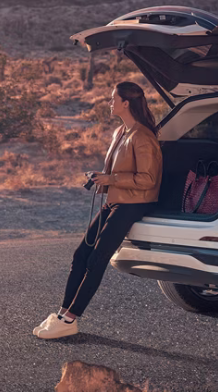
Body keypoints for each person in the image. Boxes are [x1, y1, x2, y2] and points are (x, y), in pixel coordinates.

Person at [34, 82, 162, 340]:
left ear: (126, 102)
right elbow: (119, 172)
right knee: (81, 254)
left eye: (113, 98)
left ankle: (70, 319)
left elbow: (148, 179)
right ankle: (61, 313)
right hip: (116, 200)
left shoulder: (143, 136)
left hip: (134, 203)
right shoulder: (120, 132)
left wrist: (112, 179)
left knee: (97, 259)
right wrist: (101, 178)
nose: (109, 102)